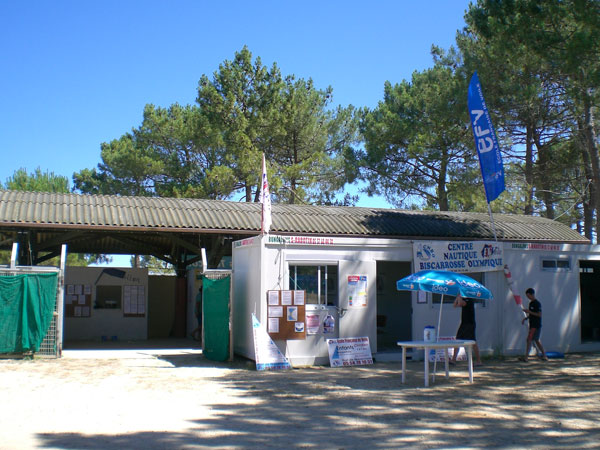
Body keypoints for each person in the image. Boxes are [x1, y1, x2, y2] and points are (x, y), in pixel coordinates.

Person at [450, 294, 482, 366]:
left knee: (473, 342)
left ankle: (478, 360)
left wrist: (459, 297)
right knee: (457, 339)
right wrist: (457, 298)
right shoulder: (463, 299)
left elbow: (461, 303)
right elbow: (455, 305)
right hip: (464, 324)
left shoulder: (469, 300)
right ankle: (453, 359)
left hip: (470, 324)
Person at [520, 288, 548, 361]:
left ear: (532, 294)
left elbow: (539, 315)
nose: (528, 297)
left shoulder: (537, 303)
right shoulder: (531, 303)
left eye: (529, 295)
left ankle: (526, 357)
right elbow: (532, 314)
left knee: (529, 339)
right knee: (536, 340)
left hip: (535, 325)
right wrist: (526, 318)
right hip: (532, 324)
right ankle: (544, 355)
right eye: (527, 296)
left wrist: (528, 311)